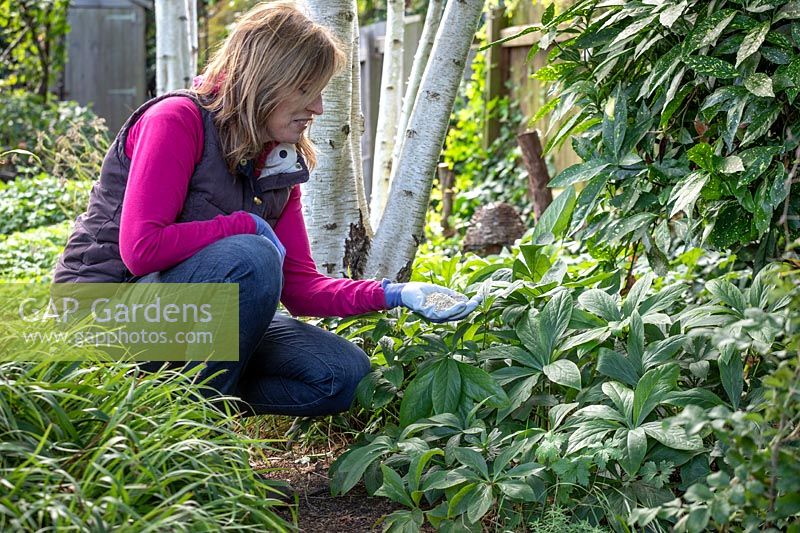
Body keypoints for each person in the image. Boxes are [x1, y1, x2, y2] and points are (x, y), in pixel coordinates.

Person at [53, 1, 478, 417]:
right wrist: (245, 224)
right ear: (267, 79)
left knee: (343, 374)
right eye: (306, 91)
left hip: (184, 316)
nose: (318, 108)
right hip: (104, 309)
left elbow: (300, 289)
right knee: (250, 256)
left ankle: (176, 405)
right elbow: (141, 249)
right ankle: (201, 445)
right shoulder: (177, 120)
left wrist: (395, 293)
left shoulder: (277, 160)